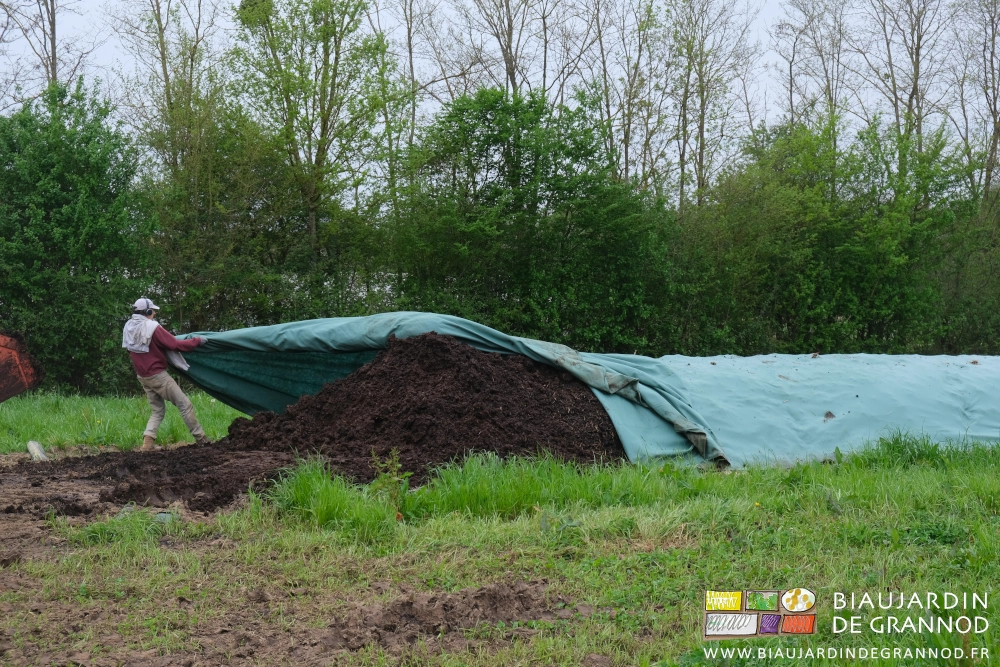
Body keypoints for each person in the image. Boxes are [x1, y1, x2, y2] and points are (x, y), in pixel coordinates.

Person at [122, 298, 209, 451]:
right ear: (147, 312)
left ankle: (147, 445)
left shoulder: (128, 327)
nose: (154, 313)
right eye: (153, 311)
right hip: (157, 376)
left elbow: (130, 350)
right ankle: (203, 440)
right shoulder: (152, 327)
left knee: (158, 410)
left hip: (143, 376)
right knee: (184, 405)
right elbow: (175, 344)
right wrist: (197, 341)